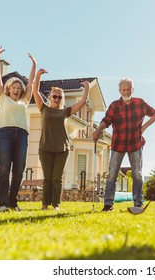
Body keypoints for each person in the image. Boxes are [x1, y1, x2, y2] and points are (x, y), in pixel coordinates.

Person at [93, 78, 155, 211]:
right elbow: (106, 120)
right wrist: (98, 130)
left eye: (129, 89)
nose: (126, 91)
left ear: (132, 90)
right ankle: (108, 204)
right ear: (119, 91)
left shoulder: (140, 103)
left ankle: (138, 203)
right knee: (112, 174)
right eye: (124, 89)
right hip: (118, 144)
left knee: (137, 174)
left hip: (135, 143)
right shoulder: (114, 106)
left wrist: (144, 127)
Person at [33, 68, 90, 210]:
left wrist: (87, 88)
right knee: (47, 178)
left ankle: (56, 205)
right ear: (50, 97)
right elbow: (35, 92)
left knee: (57, 178)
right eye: (54, 97)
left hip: (62, 149)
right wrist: (38, 76)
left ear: (62, 99)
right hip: (45, 148)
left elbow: (82, 102)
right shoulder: (44, 109)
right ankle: (45, 205)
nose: (57, 99)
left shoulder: (66, 111)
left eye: (59, 97)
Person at [0, 46, 36, 212]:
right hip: (4, 134)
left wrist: (34, 64)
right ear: (8, 89)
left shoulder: (24, 101)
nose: (17, 90)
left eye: (19, 88)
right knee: (4, 168)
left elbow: (31, 82)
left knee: (19, 169)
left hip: (21, 136)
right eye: (14, 87)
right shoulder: (2, 98)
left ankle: (12, 202)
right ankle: (2, 203)